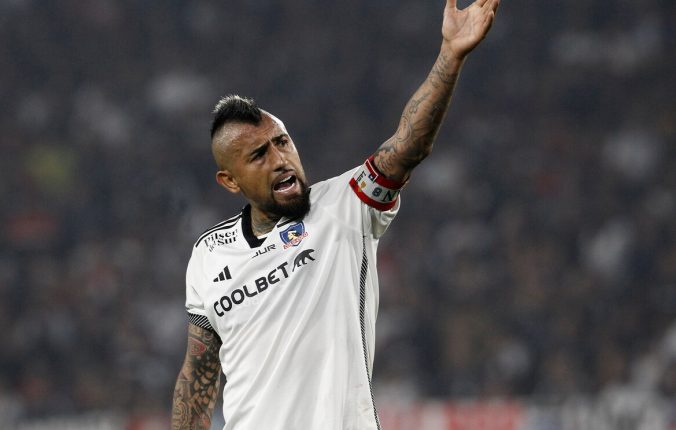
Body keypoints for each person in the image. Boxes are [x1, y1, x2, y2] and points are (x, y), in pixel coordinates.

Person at [171, 0, 500, 428]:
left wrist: (450, 57)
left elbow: (407, 146)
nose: (280, 159)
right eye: (258, 155)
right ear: (229, 181)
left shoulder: (345, 204)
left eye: (282, 142)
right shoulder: (209, 254)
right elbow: (198, 375)